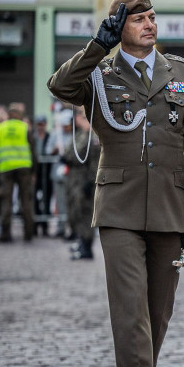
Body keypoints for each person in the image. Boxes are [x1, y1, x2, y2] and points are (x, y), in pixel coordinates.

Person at [47, 0, 184, 367]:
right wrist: (96, 47)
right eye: (139, 19)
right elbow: (60, 86)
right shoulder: (99, 73)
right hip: (118, 206)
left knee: (159, 311)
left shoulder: (182, 72)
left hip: (169, 205)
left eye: (153, 17)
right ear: (119, 27)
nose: (149, 24)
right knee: (129, 309)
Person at [0, 102, 36, 242]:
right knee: (26, 201)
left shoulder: (0, 128)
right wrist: (34, 171)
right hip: (24, 169)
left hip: (6, 169)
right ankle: (28, 233)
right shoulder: (25, 128)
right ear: (19, 116)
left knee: (6, 202)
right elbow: (34, 152)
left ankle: (5, 234)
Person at [62, 107, 100, 259]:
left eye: (82, 118)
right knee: (76, 212)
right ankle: (81, 242)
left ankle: (86, 246)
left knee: (85, 214)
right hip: (76, 179)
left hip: (86, 179)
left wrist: (90, 182)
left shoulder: (93, 137)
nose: (78, 120)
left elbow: (94, 163)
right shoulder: (82, 135)